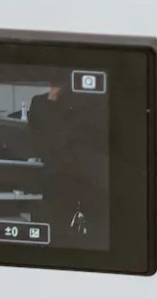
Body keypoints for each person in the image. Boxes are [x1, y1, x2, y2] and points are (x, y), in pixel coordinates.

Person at [19, 78, 105, 239]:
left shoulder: (81, 100)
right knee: (52, 220)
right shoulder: (39, 102)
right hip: (54, 170)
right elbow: (36, 135)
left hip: (77, 171)